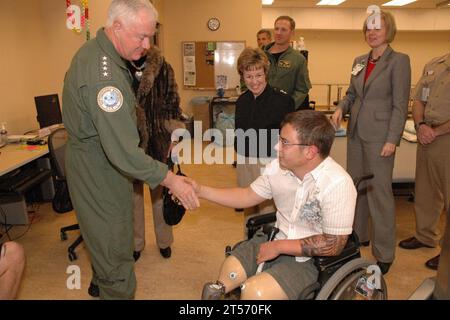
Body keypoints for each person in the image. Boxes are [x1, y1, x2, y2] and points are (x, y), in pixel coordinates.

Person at [62, 0, 199, 299]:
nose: (148, 44)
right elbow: (122, 151)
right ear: (117, 27)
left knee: (106, 241)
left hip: (102, 162)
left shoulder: (100, 55)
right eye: (141, 36)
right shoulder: (105, 78)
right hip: (100, 168)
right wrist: (170, 178)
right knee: (116, 252)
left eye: (151, 36)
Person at [194, 110, 357, 300]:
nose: (276, 147)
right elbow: (246, 195)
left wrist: (279, 247)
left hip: (309, 261)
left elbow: (333, 245)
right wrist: (200, 191)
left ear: (310, 151)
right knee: (227, 274)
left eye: (285, 143)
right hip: (275, 236)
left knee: (255, 292)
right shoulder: (277, 168)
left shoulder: (337, 184)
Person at [331, 11, 411, 275]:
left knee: (380, 195)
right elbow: (352, 93)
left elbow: (400, 105)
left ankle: (384, 251)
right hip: (355, 133)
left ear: (389, 31)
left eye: (377, 28)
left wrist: (392, 139)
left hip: (380, 138)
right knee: (356, 189)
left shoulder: (399, 61)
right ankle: (359, 236)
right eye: (368, 28)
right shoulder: (359, 61)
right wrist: (341, 107)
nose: (372, 33)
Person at [128, 45, 186, 261]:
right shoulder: (121, 66)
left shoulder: (163, 67)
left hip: (160, 141)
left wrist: (174, 137)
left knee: (160, 195)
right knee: (133, 197)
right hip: (129, 144)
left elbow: (173, 105)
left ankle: (164, 241)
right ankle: (136, 244)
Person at [398, 53, 450, 271]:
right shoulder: (434, 64)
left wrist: (436, 131)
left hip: (445, 136)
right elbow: (419, 99)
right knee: (426, 190)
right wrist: (420, 126)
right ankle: (425, 235)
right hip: (426, 133)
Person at [234, 47, 295, 223]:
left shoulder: (283, 101)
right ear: (242, 76)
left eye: (258, 75)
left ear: (266, 74)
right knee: (249, 211)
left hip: (270, 163)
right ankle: (250, 244)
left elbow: (290, 139)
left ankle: (269, 246)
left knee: (267, 212)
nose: (254, 81)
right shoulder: (241, 101)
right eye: (249, 76)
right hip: (245, 161)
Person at [264, 16, 311, 110]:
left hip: (285, 113)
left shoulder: (298, 59)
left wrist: (288, 105)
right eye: (276, 29)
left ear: (292, 33)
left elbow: (302, 89)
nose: (278, 33)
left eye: (283, 30)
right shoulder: (261, 56)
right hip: (262, 110)